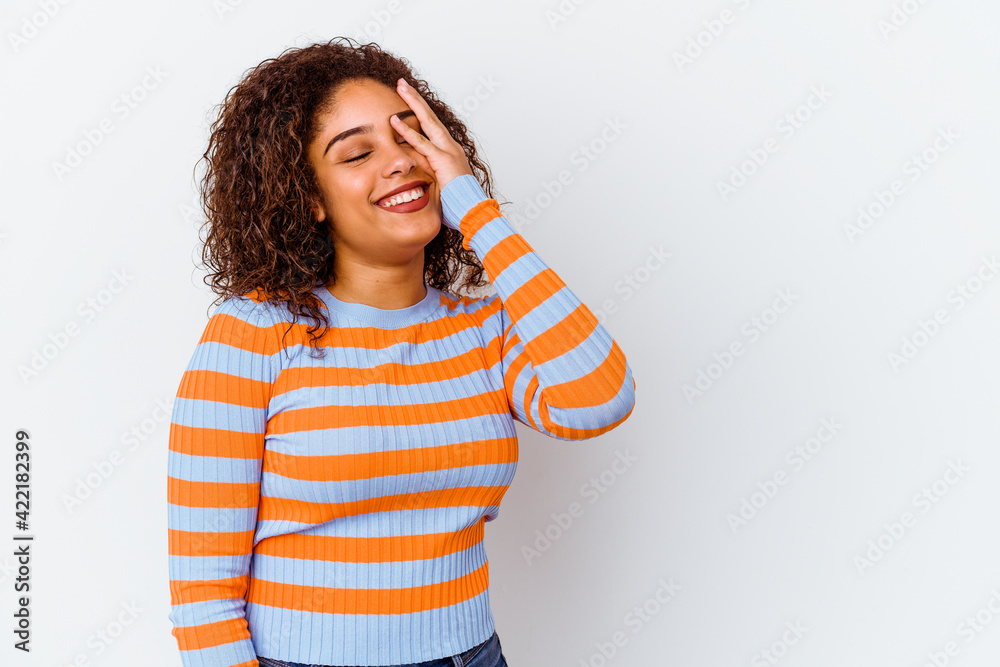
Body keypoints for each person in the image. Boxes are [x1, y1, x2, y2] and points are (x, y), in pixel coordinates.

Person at [167, 37, 637, 667]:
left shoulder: (484, 329)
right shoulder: (251, 334)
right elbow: (203, 598)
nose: (401, 163)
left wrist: (476, 210)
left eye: (413, 139)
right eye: (358, 152)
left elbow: (599, 399)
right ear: (307, 198)